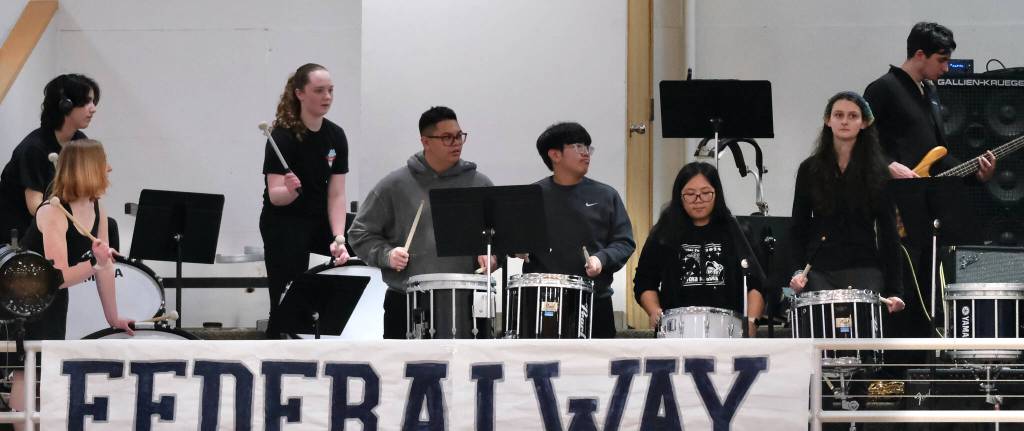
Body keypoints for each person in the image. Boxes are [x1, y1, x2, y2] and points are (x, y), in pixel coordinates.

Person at [6, 139, 134, 417]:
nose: (109, 169)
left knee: (43, 366)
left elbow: (105, 267)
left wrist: (113, 318)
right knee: (27, 369)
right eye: (103, 164)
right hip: (22, 298)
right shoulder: (53, 210)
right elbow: (58, 276)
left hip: (51, 299)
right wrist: (94, 263)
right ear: (89, 170)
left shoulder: (97, 207)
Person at [348, 106, 496, 339]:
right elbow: (360, 233)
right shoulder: (395, 185)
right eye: (447, 138)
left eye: (459, 136)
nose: (456, 143)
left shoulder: (479, 184)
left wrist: (492, 255)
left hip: (467, 300)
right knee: (403, 372)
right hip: (407, 300)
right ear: (425, 141)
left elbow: (500, 235)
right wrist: (386, 255)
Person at [789, 91, 906, 314]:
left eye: (853, 116)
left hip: (865, 266)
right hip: (819, 268)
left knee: (861, 341)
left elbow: (889, 232)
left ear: (864, 123)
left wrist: (895, 290)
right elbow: (798, 226)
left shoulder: (879, 172)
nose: (844, 121)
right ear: (828, 120)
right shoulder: (809, 169)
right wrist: (796, 271)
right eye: (838, 115)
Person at [520, 122, 635, 339]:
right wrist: (515, 248)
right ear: (555, 154)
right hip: (545, 300)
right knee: (545, 367)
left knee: (598, 369)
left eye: (588, 147)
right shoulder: (532, 196)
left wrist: (601, 259)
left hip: (594, 299)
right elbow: (513, 238)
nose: (586, 153)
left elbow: (624, 242)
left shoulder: (606, 195)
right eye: (578, 147)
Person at [260, 63, 350, 336]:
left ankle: (338, 330)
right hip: (284, 220)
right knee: (287, 293)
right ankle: (278, 340)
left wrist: (339, 238)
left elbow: (336, 194)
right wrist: (289, 190)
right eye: (319, 90)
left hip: (319, 218)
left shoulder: (336, 135)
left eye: (331, 91)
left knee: (355, 253)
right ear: (300, 93)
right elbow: (275, 197)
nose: (327, 97)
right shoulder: (282, 136)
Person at [633, 162, 767, 336]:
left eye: (706, 194)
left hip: (728, 330)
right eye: (690, 194)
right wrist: (654, 311)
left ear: (716, 194)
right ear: (679, 196)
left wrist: (751, 322)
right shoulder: (664, 232)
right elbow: (644, 282)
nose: (698, 200)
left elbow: (756, 282)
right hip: (677, 331)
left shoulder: (737, 230)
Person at [863, 22, 995, 181]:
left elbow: (938, 153)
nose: (946, 68)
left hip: (924, 194)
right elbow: (858, 140)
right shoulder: (883, 88)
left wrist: (975, 176)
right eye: (941, 60)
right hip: (891, 193)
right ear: (920, 55)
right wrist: (888, 165)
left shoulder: (930, 91)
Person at [0, 74, 100, 244]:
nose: (93, 108)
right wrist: (69, 223)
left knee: (108, 227)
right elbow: (35, 206)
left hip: (53, 220)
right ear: (66, 105)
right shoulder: (34, 148)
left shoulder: (80, 141)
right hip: (23, 229)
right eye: (87, 102)